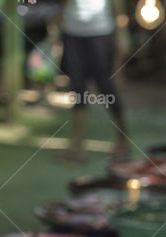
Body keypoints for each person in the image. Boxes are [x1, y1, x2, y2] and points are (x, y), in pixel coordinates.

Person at [56, 0, 130, 163]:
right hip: (72, 34)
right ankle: (77, 148)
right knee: (77, 90)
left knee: (106, 88)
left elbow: (118, 6)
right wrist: (56, 34)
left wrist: (122, 35)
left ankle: (124, 141)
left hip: (100, 33)